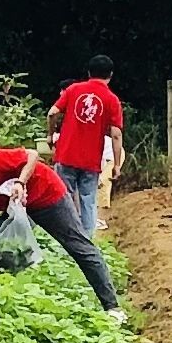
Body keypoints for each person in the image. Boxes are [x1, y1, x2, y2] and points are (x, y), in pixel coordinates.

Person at [0, 142, 120, 312]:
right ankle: (5, 303)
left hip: (46, 194)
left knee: (79, 247)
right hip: (16, 207)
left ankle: (112, 308)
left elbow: (32, 155)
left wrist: (20, 182)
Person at [51, 56, 128, 237]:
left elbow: (52, 113)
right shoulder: (111, 99)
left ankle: (66, 238)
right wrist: (116, 165)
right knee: (88, 200)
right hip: (91, 160)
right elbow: (116, 134)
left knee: (64, 197)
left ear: (88, 72)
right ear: (110, 75)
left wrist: (50, 134)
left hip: (66, 155)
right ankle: (87, 241)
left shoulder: (73, 90)